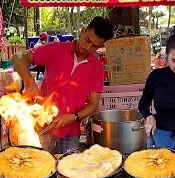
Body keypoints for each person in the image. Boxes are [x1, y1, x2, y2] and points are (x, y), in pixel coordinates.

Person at [11, 17, 114, 153]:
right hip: (43, 125)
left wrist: (74, 117)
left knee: (69, 170)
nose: (88, 48)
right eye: (87, 40)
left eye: (95, 46)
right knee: (39, 167)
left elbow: (93, 105)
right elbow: (18, 57)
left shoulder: (97, 67)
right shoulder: (56, 50)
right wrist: (30, 82)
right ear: (82, 31)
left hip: (71, 132)